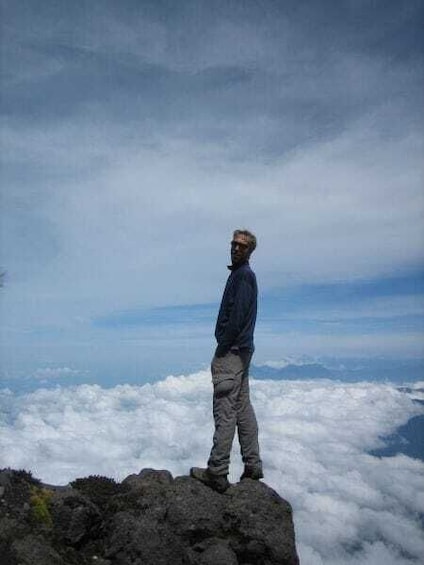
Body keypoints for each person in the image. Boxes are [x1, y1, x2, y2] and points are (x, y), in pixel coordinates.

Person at [190, 229, 263, 493]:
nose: (235, 248)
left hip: (231, 352)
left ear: (250, 250)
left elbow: (238, 315)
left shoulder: (243, 277)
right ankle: (253, 466)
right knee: (242, 407)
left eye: (242, 246)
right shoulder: (243, 275)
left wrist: (222, 343)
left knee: (225, 409)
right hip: (243, 351)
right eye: (233, 244)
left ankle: (217, 471)